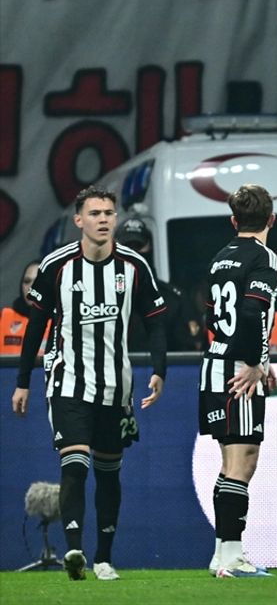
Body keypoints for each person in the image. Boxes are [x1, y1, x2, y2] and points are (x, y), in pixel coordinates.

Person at [10, 185, 168, 582]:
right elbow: (36, 326)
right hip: (68, 382)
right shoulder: (57, 265)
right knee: (75, 463)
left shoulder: (134, 265)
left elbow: (155, 322)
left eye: (108, 213)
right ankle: (75, 550)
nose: (103, 220)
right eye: (95, 213)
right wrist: (23, 381)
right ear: (79, 220)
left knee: (109, 473)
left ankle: (104, 558)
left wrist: (159, 369)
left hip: (116, 386)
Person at [201, 184, 277, 578]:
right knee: (243, 461)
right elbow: (252, 313)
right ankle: (233, 557)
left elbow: (210, 316)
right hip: (237, 370)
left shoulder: (219, 258)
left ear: (234, 221)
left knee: (229, 461)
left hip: (215, 362)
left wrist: (262, 359)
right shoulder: (264, 257)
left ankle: (221, 554)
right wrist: (253, 363)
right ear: (272, 219)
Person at [116, 216, 203, 352]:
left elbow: (191, 354)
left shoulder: (175, 300)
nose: (134, 253)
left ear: (150, 247)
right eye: (127, 247)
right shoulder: (102, 297)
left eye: (138, 246)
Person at [1, 261, 44, 356]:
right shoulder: (3, 317)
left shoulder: (62, 321)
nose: (31, 287)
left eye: (38, 281)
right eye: (27, 281)